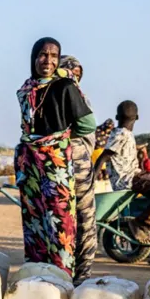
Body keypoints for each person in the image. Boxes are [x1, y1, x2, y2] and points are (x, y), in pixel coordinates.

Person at [14, 38, 95, 277]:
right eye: (42, 55)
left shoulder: (66, 88)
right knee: (35, 218)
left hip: (58, 162)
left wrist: (59, 139)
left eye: (53, 56)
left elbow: (87, 124)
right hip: (31, 164)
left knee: (62, 219)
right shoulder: (26, 89)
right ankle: (39, 273)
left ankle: (67, 276)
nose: (47, 60)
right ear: (33, 58)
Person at [94, 101, 150, 244]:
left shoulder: (124, 134)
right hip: (130, 178)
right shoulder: (121, 135)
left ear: (117, 116)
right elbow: (104, 156)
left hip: (131, 176)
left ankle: (146, 224)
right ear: (137, 117)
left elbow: (117, 153)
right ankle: (143, 225)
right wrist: (91, 179)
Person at [59, 55, 96, 283]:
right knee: (84, 223)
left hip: (57, 164)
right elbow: (87, 126)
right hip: (77, 161)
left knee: (62, 223)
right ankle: (80, 277)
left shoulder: (42, 94)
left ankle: (62, 276)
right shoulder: (75, 96)